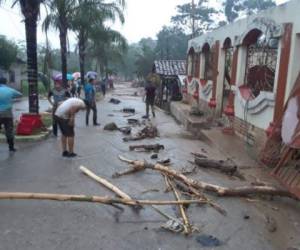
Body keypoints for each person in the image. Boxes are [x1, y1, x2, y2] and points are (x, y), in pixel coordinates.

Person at [0, 77, 22, 152]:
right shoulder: (9, 90)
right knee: (9, 130)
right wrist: (11, 97)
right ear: (6, 82)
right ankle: (11, 147)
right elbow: (20, 94)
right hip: (8, 113)